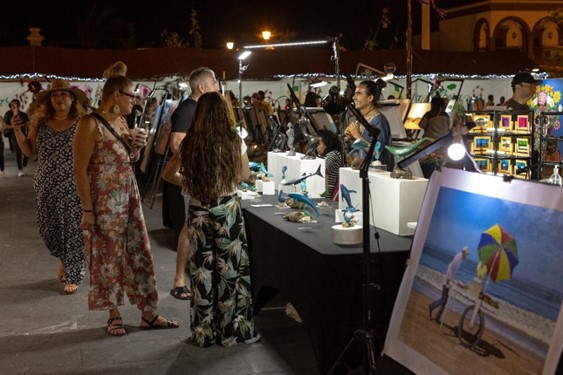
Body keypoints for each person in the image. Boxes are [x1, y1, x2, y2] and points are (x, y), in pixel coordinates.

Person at [73, 75, 180, 336]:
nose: (136, 100)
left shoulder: (121, 121)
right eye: (131, 95)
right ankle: (113, 314)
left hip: (128, 194)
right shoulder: (89, 123)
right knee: (108, 255)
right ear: (116, 94)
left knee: (140, 250)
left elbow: (128, 158)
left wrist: (138, 148)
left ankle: (149, 313)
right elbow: (79, 170)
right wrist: (87, 208)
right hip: (104, 199)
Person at [179, 92, 260, 347]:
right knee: (231, 270)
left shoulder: (189, 141)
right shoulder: (234, 140)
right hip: (227, 209)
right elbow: (243, 174)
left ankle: (204, 333)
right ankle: (231, 331)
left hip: (198, 210)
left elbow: (177, 173)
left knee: (202, 271)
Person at [11, 79, 88, 294]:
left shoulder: (82, 122)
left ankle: (74, 272)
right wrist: (17, 130)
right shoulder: (41, 124)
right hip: (46, 185)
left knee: (73, 229)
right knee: (50, 229)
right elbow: (29, 151)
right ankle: (64, 259)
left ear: (73, 99)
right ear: (50, 100)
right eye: (55, 95)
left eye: (64, 94)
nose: (59, 98)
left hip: (74, 185)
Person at [164, 67, 219, 301]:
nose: (217, 86)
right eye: (214, 82)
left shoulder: (201, 109)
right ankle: (179, 278)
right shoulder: (187, 110)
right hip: (194, 177)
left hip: (206, 175)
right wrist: (197, 159)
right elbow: (177, 142)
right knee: (189, 226)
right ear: (202, 87)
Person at [344, 79, 393, 171]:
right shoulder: (362, 120)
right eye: (355, 94)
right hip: (366, 173)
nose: (354, 97)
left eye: (358, 94)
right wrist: (352, 138)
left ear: (370, 98)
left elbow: (375, 152)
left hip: (378, 176)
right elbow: (362, 149)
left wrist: (357, 136)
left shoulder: (379, 121)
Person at [429, 246, 470, 323]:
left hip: (449, 280)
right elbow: (451, 268)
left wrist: (453, 280)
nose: (466, 256)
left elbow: (453, 270)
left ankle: (437, 316)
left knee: (444, 300)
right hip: (447, 280)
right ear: (463, 252)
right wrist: (448, 279)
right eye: (466, 254)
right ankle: (432, 306)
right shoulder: (458, 258)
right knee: (444, 300)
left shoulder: (459, 258)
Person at [3, 99, 30, 176]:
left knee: (27, 153)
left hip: (24, 136)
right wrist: (14, 126)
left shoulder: (23, 115)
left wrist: (29, 134)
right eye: (13, 105)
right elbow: (5, 126)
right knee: (18, 153)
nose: (15, 106)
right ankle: (20, 169)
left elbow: (28, 125)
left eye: (16, 104)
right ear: (10, 106)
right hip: (14, 136)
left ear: (19, 105)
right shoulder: (8, 114)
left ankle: (23, 165)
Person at [316, 129, 343, 198]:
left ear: (326, 144)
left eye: (319, 143)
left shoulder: (333, 155)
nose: (317, 147)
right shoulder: (326, 155)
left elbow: (322, 170)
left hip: (327, 195)